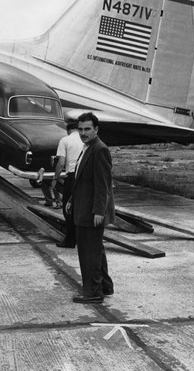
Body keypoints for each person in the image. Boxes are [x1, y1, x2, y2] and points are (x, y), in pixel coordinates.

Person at [67, 112, 114, 304]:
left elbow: (103, 184)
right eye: (80, 129)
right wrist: (71, 199)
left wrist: (98, 211)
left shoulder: (99, 149)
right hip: (83, 206)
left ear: (96, 130)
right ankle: (104, 285)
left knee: (89, 253)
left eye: (87, 129)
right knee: (96, 250)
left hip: (91, 211)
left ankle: (93, 293)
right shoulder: (87, 148)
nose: (83, 133)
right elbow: (82, 179)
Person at [53, 121, 85, 248]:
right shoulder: (85, 140)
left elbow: (61, 162)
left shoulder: (65, 140)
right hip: (84, 177)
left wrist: (55, 178)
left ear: (68, 131)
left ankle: (70, 241)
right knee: (80, 210)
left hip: (72, 177)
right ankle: (80, 239)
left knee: (68, 210)